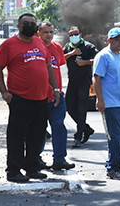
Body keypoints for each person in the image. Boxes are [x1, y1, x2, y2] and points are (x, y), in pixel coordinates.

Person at [0, 13, 60, 183]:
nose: (29, 26)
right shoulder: (9, 45)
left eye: (32, 23)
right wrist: (4, 92)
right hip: (19, 98)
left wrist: (55, 88)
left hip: (41, 98)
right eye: (26, 23)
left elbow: (47, 65)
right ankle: (13, 170)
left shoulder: (39, 42)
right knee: (17, 136)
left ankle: (32, 167)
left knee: (37, 135)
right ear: (19, 26)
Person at [37, 21, 75, 171]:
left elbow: (57, 66)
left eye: (51, 32)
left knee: (59, 127)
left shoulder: (57, 48)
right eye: (45, 32)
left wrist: (57, 90)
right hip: (39, 96)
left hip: (56, 96)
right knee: (39, 129)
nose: (49, 35)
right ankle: (36, 158)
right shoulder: (35, 49)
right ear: (38, 33)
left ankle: (59, 159)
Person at [92, 27, 120, 180]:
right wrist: (100, 99)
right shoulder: (103, 56)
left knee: (119, 137)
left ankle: (112, 164)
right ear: (109, 40)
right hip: (110, 103)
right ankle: (114, 168)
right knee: (115, 136)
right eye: (117, 39)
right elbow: (97, 78)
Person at [63, 26, 98, 148]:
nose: (74, 36)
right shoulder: (68, 47)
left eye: (76, 34)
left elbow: (98, 59)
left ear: (80, 34)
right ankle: (86, 128)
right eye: (71, 35)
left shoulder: (88, 46)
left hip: (84, 82)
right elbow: (60, 59)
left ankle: (78, 136)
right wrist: (71, 53)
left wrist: (85, 62)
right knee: (69, 106)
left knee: (81, 108)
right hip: (72, 81)